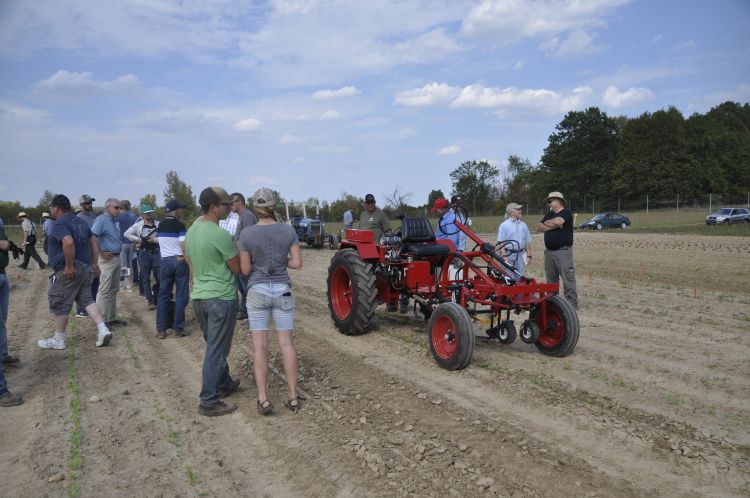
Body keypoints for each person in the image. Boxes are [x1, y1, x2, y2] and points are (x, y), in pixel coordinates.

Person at [239, 187, 303, 415]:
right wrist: (282, 259)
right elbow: (297, 264)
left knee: (260, 346)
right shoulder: (288, 231)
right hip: (283, 290)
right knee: (286, 344)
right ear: (274, 205)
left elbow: (245, 270)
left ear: (255, 207)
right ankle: (293, 397)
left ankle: (263, 399)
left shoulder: (246, 234)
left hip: (257, 289)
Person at [185, 187, 241, 417]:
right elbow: (236, 268)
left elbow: (186, 254)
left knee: (214, 345)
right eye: (226, 204)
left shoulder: (193, 230)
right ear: (213, 207)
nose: (230, 207)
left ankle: (225, 382)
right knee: (216, 350)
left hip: (200, 297)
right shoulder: (219, 235)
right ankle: (208, 400)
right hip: (221, 298)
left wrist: (198, 273)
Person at [38, 194, 113, 350]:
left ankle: (58, 339)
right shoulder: (80, 221)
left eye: (51, 207)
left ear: (56, 208)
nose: (51, 210)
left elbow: (68, 242)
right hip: (85, 267)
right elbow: (93, 241)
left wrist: (69, 265)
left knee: (60, 302)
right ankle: (103, 329)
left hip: (69, 270)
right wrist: (94, 264)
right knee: (86, 299)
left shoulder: (59, 223)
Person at [536, 191, 578, 310]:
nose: (548, 204)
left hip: (563, 252)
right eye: (548, 202)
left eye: (550, 201)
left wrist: (550, 224)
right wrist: (553, 224)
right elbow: (539, 227)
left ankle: (572, 305)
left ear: (558, 201)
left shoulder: (566, 213)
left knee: (568, 279)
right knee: (551, 281)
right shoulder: (549, 214)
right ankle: (553, 303)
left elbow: (559, 221)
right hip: (549, 252)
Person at [156, 199, 189, 339]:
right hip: (179, 260)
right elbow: (183, 244)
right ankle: (178, 328)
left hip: (165, 261)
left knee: (163, 295)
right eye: (181, 209)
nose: (182, 211)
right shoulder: (180, 225)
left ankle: (161, 329)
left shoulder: (161, 225)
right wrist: (186, 257)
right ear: (176, 211)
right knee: (181, 295)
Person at [91, 198, 125, 328]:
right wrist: (101, 252)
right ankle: (102, 322)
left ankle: (110, 318)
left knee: (113, 289)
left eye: (119, 208)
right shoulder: (101, 220)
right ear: (108, 207)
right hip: (107, 259)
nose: (119, 210)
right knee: (104, 290)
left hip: (115, 258)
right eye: (116, 207)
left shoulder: (112, 220)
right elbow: (92, 236)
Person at [124, 204, 160, 310]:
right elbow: (126, 233)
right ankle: (126, 284)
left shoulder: (157, 223)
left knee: (125, 265)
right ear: (142, 214)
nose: (149, 214)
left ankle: (127, 284)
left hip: (151, 251)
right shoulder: (135, 222)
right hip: (137, 250)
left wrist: (154, 240)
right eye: (147, 213)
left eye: (150, 212)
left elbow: (125, 233)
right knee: (128, 267)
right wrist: (138, 239)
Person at [230, 193, 258, 321]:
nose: (230, 206)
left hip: (245, 259)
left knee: (247, 288)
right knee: (243, 287)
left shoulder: (247, 216)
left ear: (239, 202)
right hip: (240, 257)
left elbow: (250, 239)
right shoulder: (242, 216)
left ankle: (253, 315)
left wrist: (247, 261)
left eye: (232, 203)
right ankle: (244, 311)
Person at [1, 222, 21, 370]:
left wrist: (10, 244)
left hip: (2, 273)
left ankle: (3, 354)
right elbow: (3, 245)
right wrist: (6, 244)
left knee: (2, 319)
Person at [497, 202, 533, 281]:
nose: (520, 211)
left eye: (520, 209)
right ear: (511, 212)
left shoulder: (524, 225)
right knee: (508, 277)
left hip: (520, 255)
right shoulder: (504, 225)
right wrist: (504, 257)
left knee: (520, 277)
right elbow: (501, 243)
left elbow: (527, 241)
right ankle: (509, 293)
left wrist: (529, 255)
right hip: (508, 254)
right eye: (517, 209)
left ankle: (519, 293)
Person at [75, 194, 98, 316]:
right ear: (82, 205)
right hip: (84, 253)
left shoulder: (93, 216)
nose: (90, 205)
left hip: (94, 252)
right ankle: (80, 309)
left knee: (94, 279)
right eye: (88, 203)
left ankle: (90, 305)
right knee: (83, 281)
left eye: (91, 203)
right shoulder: (78, 218)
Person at [117, 200, 137, 292]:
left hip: (122, 243)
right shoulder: (133, 216)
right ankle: (130, 283)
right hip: (131, 242)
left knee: (123, 265)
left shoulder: (118, 216)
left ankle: (126, 285)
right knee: (130, 264)